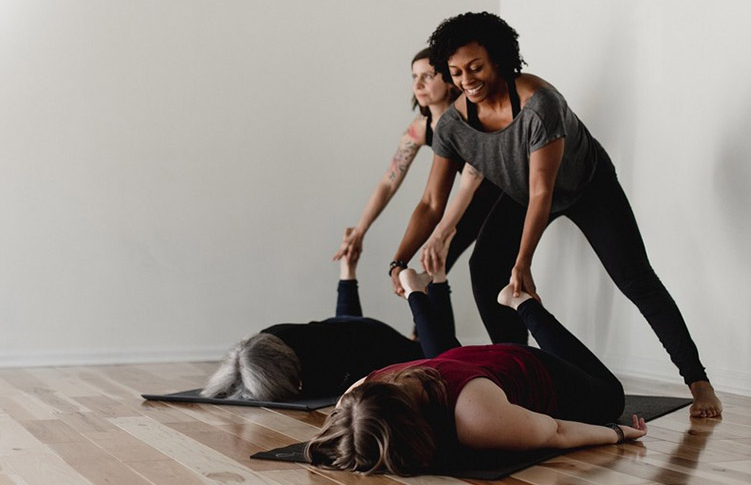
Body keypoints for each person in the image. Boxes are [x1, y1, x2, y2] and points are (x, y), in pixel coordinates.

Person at [389, 12, 720, 417]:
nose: (466, 80)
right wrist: (399, 259)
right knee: (484, 269)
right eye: (456, 72)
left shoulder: (539, 103)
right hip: (520, 189)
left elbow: (543, 189)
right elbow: (429, 203)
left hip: (586, 187)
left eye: (476, 67)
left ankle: (699, 382)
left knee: (636, 278)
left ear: (499, 60)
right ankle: (523, 379)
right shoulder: (454, 125)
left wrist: (523, 261)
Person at [306, 260, 646, 475]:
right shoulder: (356, 395)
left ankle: (521, 302)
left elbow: (557, 431)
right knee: (443, 359)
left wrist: (617, 433)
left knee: (610, 398)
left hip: (524, 365)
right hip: (452, 366)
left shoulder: (477, 420)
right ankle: (417, 290)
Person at [333, 49, 499, 295]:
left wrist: (440, 234)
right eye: (414, 77)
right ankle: (419, 329)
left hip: (500, 195)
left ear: (448, 79)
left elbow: (469, 183)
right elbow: (388, 183)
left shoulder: (470, 119)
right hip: (473, 199)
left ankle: (420, 329)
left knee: (456, 265)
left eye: (427, 76)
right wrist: (360, 231)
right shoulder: (420, 129)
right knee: (432, 266)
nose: (418, 84)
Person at [201, 229, 426, 400]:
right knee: (349, 337)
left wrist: (420, 293)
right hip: (356, 339)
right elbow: (342, 331)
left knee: (433, 354)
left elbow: (344, 333)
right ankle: (423, 297)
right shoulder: (285, 341)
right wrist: (347, 273)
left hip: (383, 346)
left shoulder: (320, 369)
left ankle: (425, 295)